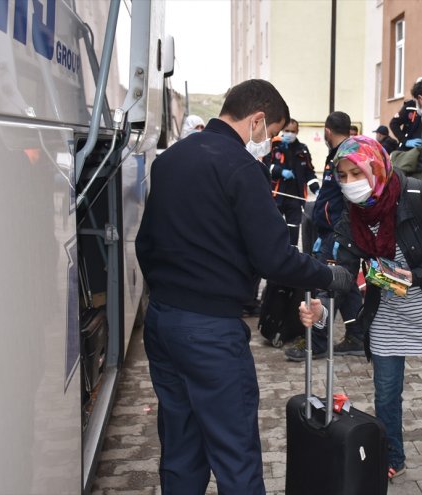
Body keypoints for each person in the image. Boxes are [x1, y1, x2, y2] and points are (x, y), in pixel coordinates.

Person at [135, 79, 354, 495]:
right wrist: (330, 276)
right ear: (256, 120)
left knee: (180, 448)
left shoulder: (171, 159)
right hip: (210, 334)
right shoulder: (240, 167)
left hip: (163, 321)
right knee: (235, 455)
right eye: (270, 134)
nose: (270, 144)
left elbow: (145, 242)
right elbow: (275, 258)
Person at [298, 135, 422, 480]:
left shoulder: (418, 195)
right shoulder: (352, 214)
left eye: (355, 173)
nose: (349, 184)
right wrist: (322, 311)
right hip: (387, 315)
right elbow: (343, 273)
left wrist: (417, 276)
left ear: (375, 167)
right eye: (341, 177)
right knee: (386, 395)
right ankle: (392, 457)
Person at [286, 111, 365, 358]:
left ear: (327, 132)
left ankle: (317, 343)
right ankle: (357, 336)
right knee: (347, 285)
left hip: (338, 234)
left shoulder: (347, 158)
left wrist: (336, 234)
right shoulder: (339, 155)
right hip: (331, 232)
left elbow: (348, 201)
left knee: (327, 286)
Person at [264, 118, 320, 245]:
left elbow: (309, 172)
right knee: (273, 228)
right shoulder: (274, 146)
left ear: (297, 131)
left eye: (293, 131)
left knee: (293, 230)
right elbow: (265, 165)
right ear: (282, 130)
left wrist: (316, 188)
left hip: (295, 197)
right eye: (287, 130)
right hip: (276, 195)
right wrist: (279, 171)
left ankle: (292, 255)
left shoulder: (302, 150)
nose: (290, 133)